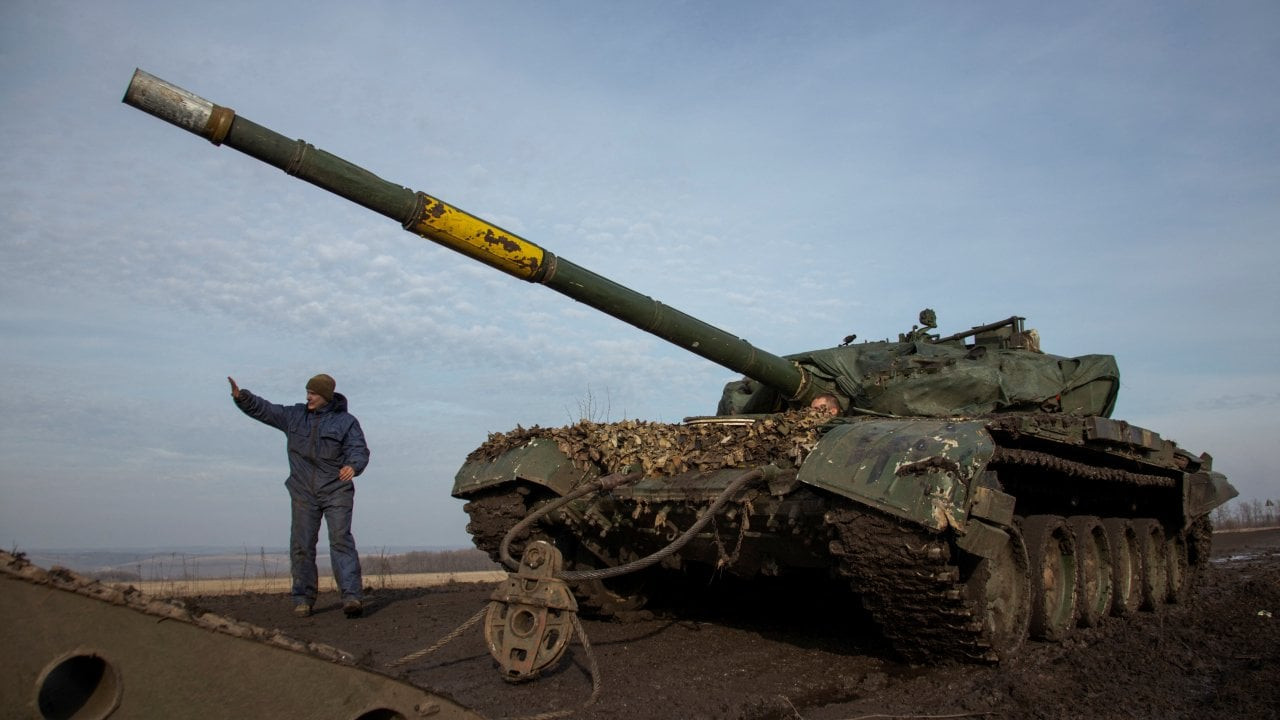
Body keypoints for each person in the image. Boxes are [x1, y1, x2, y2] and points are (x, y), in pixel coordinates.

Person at [228, 373, 371, 618]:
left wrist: (353, 466)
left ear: (325, 396)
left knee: (340, 540)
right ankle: (303, 599)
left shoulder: (346, 422)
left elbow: (359, 449)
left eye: (313, 393)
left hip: (336, 489)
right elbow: (266, 410)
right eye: (307, 392)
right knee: (302, 545)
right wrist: (243, 398)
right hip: (303, 491)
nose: (308, 397)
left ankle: (351, 597)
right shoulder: (294, 416)